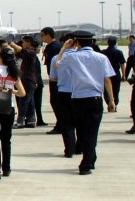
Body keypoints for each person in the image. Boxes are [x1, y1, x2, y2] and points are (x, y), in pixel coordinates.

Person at [56, 31, 116, 174]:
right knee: (92, 132)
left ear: (76, 42)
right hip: (95, 98)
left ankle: (87, 162)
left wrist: (64, 48)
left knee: (83, 132)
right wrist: (111, 100)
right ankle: (89, 161)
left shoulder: (72, 57)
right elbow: (107, 79)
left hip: (78, 100)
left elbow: (57, 65)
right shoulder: (101, 57)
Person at [0, 47, 25, 180]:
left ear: (0, 58)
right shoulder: (14, 73)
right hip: (9, 109)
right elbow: (22, 93)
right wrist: (9, 90)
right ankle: (6, 169)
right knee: (6, 140)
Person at [48, 32, 77, 156]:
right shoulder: (80, 56)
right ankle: (80, 147)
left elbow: (53, 78)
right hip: (79, 92)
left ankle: (69, 150)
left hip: (64, 92)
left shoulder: (57, 58)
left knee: (67, 123)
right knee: (80, 122)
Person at [41, 27, 64, 135]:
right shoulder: (55, 46)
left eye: (42, 35)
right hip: (57, 78)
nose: (41, 38)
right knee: (56, 102)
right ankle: (61, 123)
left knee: (56, 102)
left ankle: (61, 124)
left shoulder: (54, 47)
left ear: (48, 35)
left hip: (56, 79)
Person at [17, 35, 43, 128]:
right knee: (29, 101)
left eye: (24, 42)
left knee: (23, 101)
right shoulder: (28, 53)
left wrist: (11, 44)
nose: (22, 44)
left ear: (28, 42)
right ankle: (31, 120)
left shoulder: (31, 52)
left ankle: (20, 122)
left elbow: (20, 50)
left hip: (28, 80)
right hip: (28, 80)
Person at [100, 37, 126, 111]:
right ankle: (114, 104)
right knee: (116, 90)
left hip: (106, 74)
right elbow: (122, 64)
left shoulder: (103, 52)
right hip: (116, 73)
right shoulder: (119, 52)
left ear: (107, 43)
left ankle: (109, 102)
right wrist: (124, 74)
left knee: (106, 90)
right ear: (115, 43)